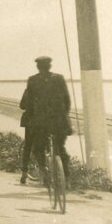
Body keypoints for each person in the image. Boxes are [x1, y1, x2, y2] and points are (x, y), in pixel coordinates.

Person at [20, 56, 72, 184]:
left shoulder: (32, 80)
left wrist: (32, 118)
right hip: (60, 122)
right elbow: (67, 100)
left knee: (38, 148)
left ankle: (44, 172)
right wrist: (64, 116)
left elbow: (29, 103)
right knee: (61, 148)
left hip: (41, 122)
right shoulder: (59, 78)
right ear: (50, 66)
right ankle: (67, 179)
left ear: (38, 67)